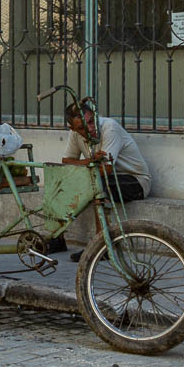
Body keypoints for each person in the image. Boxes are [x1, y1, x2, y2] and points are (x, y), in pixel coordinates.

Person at [59, 99, 152, 260]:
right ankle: (57, 238)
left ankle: (101, 246)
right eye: (82, 128)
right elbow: (67, 162)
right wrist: (89, 161)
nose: (90, 129)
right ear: (72, 128)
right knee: (62, 182)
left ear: (95, 115)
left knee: (97, 184)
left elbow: (107, 168)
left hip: (136, 181)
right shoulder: (74, 134)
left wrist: (84, 165)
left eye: (90, 121)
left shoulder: (109, 128)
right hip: (106, 177)